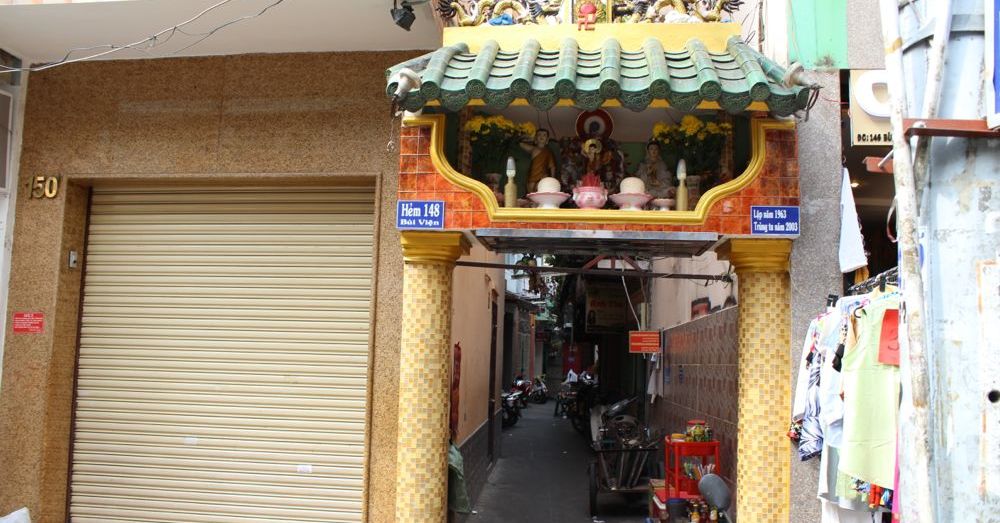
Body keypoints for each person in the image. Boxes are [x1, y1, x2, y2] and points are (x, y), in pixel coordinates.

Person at [520, 128, 557, 193]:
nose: (541, 136)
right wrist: (529, 139)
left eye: (544, 135)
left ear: (547, 140)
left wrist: (553, 179)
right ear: (535, 139)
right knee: (531, 194)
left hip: (543, 176)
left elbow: (552, 166)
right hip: (531, 176)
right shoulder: (532, 149)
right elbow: (520, 144)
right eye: (539, 135)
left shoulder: (548, 152)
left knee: (541, 191)